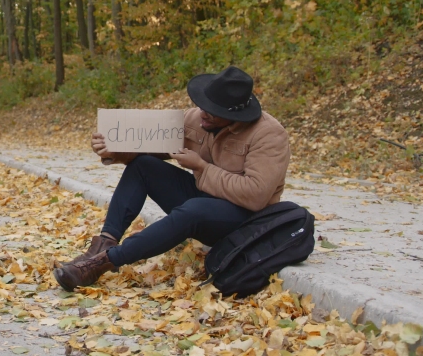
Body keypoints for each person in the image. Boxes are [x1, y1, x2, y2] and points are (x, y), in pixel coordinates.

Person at [53, 66, 291, 291]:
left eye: (213, 111)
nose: (202, 114)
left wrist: (201, 168)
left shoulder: (269, 134)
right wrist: (112, 149)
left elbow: (256, 195)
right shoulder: (196, 118)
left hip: (244, 219)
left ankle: (104, 263)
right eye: (201, 105)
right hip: (204, 197)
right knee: (144, 166)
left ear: (234, 114)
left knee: (193, 210)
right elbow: (151, 149)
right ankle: (103, 244)